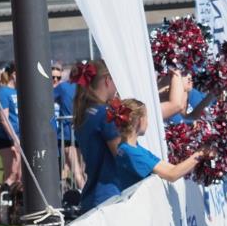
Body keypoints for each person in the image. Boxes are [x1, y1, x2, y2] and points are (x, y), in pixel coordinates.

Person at [111, 98, 208, 188]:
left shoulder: (131, 147)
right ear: (140, 121)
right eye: (147, 118)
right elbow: (171, 174)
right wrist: (201, 153)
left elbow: (171, 168)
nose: (148, 123)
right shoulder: (131, 153)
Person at [72, 59, 124, 212]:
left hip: (93, 196)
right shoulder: (105, 114)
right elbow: (122, 155)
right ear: (107, 80)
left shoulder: (85, 112)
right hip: (109, 196)